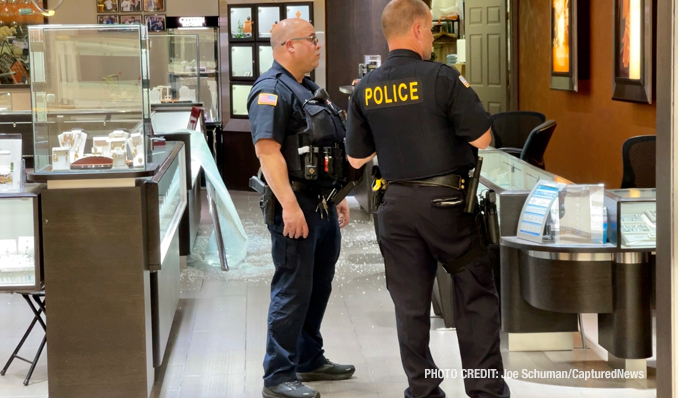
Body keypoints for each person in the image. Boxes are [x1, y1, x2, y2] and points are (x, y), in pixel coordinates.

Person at [345, 1, 511, 398]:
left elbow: (356, 158)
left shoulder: (365, 88)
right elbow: (483, 139)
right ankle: (485, 392)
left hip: (396, 209)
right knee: (474, 296)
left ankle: (423, 391)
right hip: (447, 207)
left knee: (410, 304)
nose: (434, 35)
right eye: (432, 28)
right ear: (419, 29)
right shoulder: (442, 77)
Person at [247, 18, 356, 398]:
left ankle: (308, 358)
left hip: (323, 205)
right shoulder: (271, 91)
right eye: (311, 39)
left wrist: (338, 196)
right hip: (297, 207)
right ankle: (277, 375)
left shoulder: (309, 89)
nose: (317, 44)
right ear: (288, 46)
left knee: (318, 286)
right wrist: (290, 207)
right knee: (293, 288)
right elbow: (267, 151)